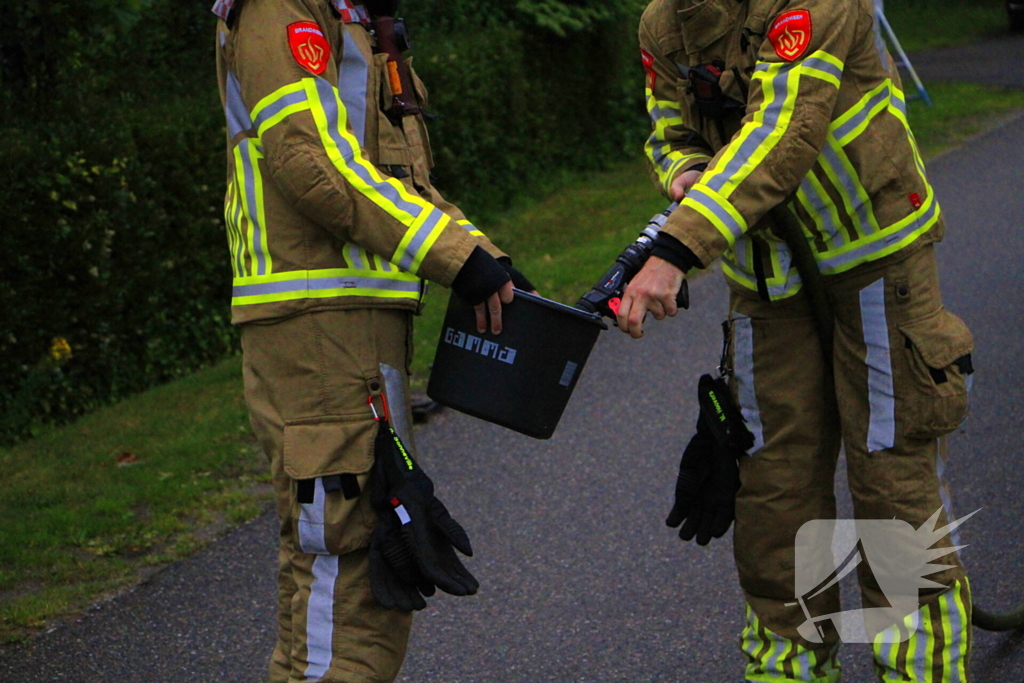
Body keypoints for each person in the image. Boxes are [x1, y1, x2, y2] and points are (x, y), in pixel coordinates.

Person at [621, 0, 975, 680]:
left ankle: (918, 667)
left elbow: (786, 129)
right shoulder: (663, 24)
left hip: (874, 254)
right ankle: (788, 668)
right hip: (769, 278)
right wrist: (685, 173)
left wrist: (678, 244)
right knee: (774, 488)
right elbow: (668, 127)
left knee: (888, 481)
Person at [211, 0, 531, 680]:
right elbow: (309, 161)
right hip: (320, 330)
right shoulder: (283, 9)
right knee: (347, 570)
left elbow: (390, 178)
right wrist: (451, 257)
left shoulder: (349, 16)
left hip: (354, 329)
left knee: (355, 574)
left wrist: (482, 256)